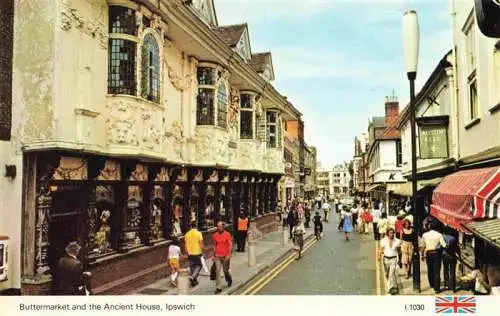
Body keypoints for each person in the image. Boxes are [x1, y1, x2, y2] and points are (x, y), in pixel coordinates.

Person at [421, 221, 447, 293]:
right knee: (437, 271)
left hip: (428, 253)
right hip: (437, 253)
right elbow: (444, 245)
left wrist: (422, 255)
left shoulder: (425, 235)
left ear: (429, 227)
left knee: (430, 270)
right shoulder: (439, 235)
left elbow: (422, 246)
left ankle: (432, 284)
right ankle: (437, 288)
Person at [212, 221, 233, 294]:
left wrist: (228, 255)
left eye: (220, 226)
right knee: (217, 271)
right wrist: (213, 255)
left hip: (225, 255)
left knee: (225, 271)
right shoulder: (215, 235)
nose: (219, 227)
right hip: (217, 255)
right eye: (218, 226)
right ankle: (218, 287)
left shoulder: (227, 234)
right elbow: (214, 245)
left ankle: (229, 279)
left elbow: (230, 245)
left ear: (223, 227)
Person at [379, 228, 401, 295]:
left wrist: (399, 260)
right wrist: (379, 257)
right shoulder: (383, 241)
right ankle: (394, 285)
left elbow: (399, 251)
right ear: (387, 233)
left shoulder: (397, 241)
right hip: (386, 259)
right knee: (387, 274)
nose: (392, 234)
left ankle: (389, 288)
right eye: (390, 233)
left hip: (393, 259)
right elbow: (381, 249)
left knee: (391, 274)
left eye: (393, 233)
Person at [184, 221, 204, 287]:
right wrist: (202, 252)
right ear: (196, 225)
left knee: (192, 267)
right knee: (199, 265)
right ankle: (193, 276)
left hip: (190, 253)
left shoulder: (187, 234)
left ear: (190, 226)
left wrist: (187, 253)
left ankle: (194, 282)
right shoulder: (199, 233)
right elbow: (201, 244)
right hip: (197, 252)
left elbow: (185, 246)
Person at [442, 228, 460, 292]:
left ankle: (446, 285)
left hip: (445, 256)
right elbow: (457, 248)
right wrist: (459, 256)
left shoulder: (442, 237)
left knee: (445, 270)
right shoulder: (453, 238)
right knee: (452, 272)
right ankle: (453, 287)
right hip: (452, 256)